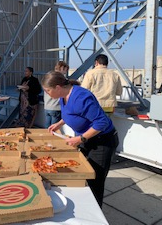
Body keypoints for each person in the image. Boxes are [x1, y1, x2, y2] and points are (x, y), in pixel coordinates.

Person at [42, 71, 119, 208]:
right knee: (81, 173)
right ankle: (85, 206)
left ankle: (94, 213)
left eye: (48, 91)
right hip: (87, 140)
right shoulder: (63, 96)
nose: (47, 94)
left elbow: (102, 123)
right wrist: (59, 124)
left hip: (102, 141)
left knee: (95, 180)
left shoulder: (81, 97)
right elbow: (70, 114)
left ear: (58, 87)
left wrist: (81, 138)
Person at [44, 61, 69, 128]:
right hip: (56, 107)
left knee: (47, 128)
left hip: (47, 106)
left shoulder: (49, 76)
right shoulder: (61, 79)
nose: (65, 72)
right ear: (62, 68)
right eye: (65, 70)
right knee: (55, 129)